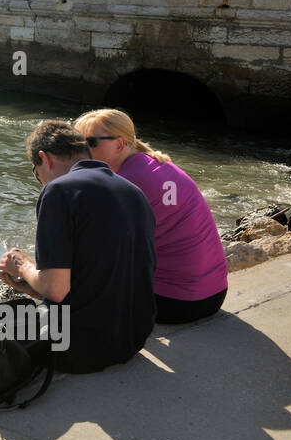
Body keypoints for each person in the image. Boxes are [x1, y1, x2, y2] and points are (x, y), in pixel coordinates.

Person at [0, 121, 156, 376]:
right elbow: (101, 278)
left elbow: (56, 290)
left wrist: (22, 266)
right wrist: (29, 288)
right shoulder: (133, 191)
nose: (41, 182)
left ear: (44, 159)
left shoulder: (59, 191)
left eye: (36, 174)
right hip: (131, 337)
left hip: (81, 346)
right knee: (11, 313)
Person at [74, 109, 228, 324]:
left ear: (119, 144)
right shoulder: (156, 164)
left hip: (174, 303)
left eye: (89, 144)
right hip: (213, 294)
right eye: (78, 144)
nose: (81, 152)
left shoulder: (125, 182)